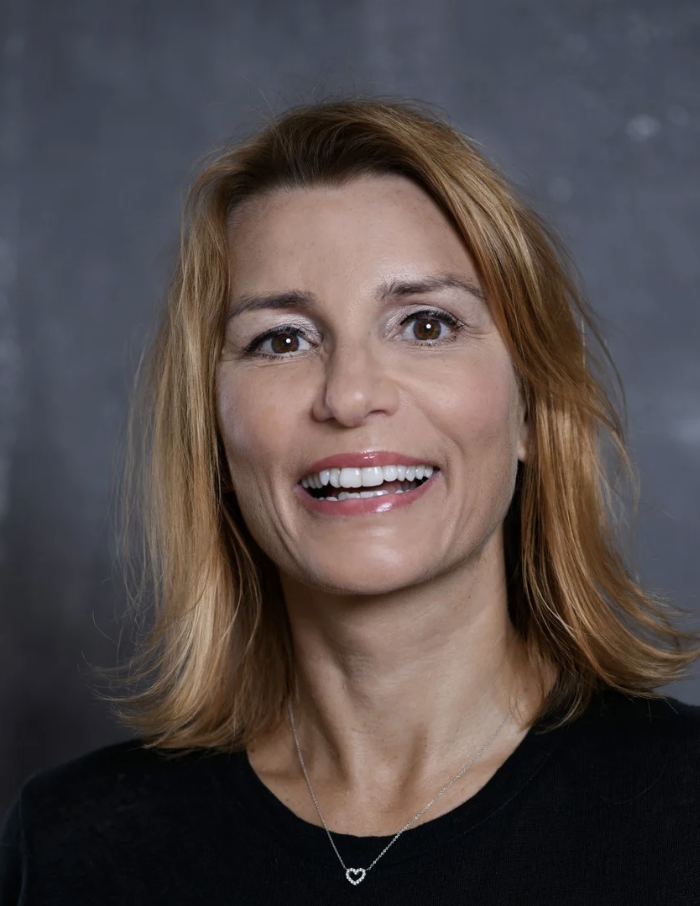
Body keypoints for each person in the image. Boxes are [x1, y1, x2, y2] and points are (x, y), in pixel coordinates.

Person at [1, 96, 699, 905]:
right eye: (282, 339)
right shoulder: (68, 847)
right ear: (214, 436)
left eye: (426, 325)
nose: (349, 394)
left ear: (533, 410)